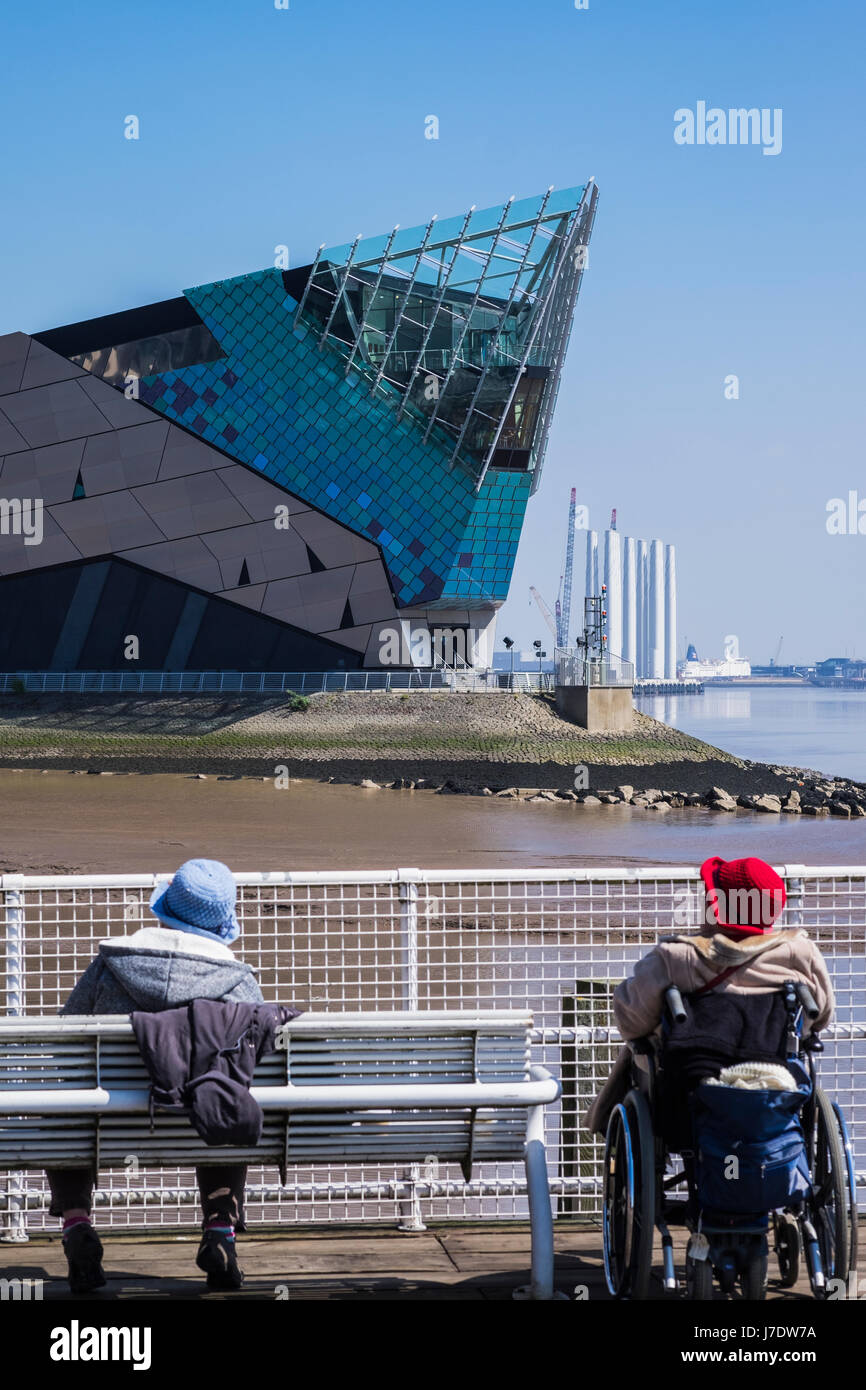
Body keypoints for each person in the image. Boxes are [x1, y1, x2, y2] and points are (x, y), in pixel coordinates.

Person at [48, 858, 265, 1294]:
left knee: (62, 1102)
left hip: (107, 1119)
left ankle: (76, 1223)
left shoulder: (110, 965)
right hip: (200, 1123)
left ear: (164, 907)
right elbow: (255, 1062)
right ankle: (220, 1230)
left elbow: (64, 1042)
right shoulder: (239, 983)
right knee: (225, 1094)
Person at [586, 855, 835, 1135]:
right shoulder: (800, 953)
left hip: (690, 1096)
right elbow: (820, 1017)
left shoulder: (677, 958)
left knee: (641, 1054)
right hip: (777, 1086)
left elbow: (631, 1021)